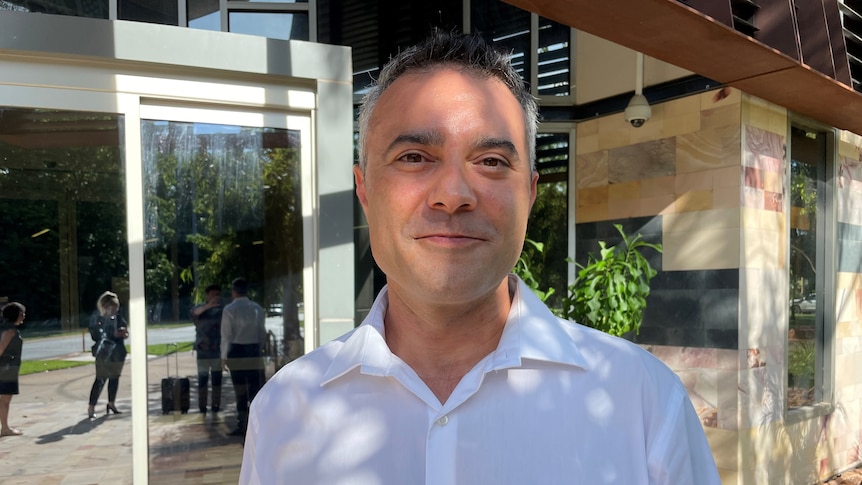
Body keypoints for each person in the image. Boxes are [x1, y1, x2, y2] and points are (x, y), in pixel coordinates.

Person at [240, 31, 721, 484]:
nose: (453, 194)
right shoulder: (285, 412)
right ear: (364, 190)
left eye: (491, 162)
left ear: (530, 195)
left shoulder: (644, 404)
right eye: (414, 156)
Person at [220, 277, 265, 437]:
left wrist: (223, 357)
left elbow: (226, 335)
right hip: (253, 349)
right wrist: (258, 349)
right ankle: (258, 424)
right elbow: (261, 333)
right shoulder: (257, 308)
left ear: (234, 291)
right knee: (256, 389)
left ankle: (242, 424)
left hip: (237, 351)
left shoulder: (229, 310)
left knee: (240, 390)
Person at [87, 291, 129, 420]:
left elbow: (125, 330)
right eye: (111, 307)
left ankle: (111, 403)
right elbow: (95, 335)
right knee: (100, 378)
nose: (114, 310)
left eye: (115, 307)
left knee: (115, 377)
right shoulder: (98, 318)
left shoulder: (118, 317)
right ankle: (91, 406)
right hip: (104, 352)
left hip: (118, 351)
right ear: (104, 306)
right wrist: (110, 333)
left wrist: (123, 333)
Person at [190, 284, 224, 414]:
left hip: (217, 350)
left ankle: (215, 405)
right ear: (207, 295)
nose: (215, 297)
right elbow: (194, 313)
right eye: (212, 294)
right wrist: (209, 305)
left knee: (217, 380)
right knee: (202, 380)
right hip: (203, 350)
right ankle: (202, 406)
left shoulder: (223, 309)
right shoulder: (200, 308)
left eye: (217, 294)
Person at [0, 302, 25, 437]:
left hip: (7, 368)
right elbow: (1, 349)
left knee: (4, 399)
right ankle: (5, 428)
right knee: (5, 399)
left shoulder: (6, 329)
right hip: (6, 369)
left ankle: (4, 426)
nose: (23, 316)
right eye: (22, 314)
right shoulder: (9, 331)